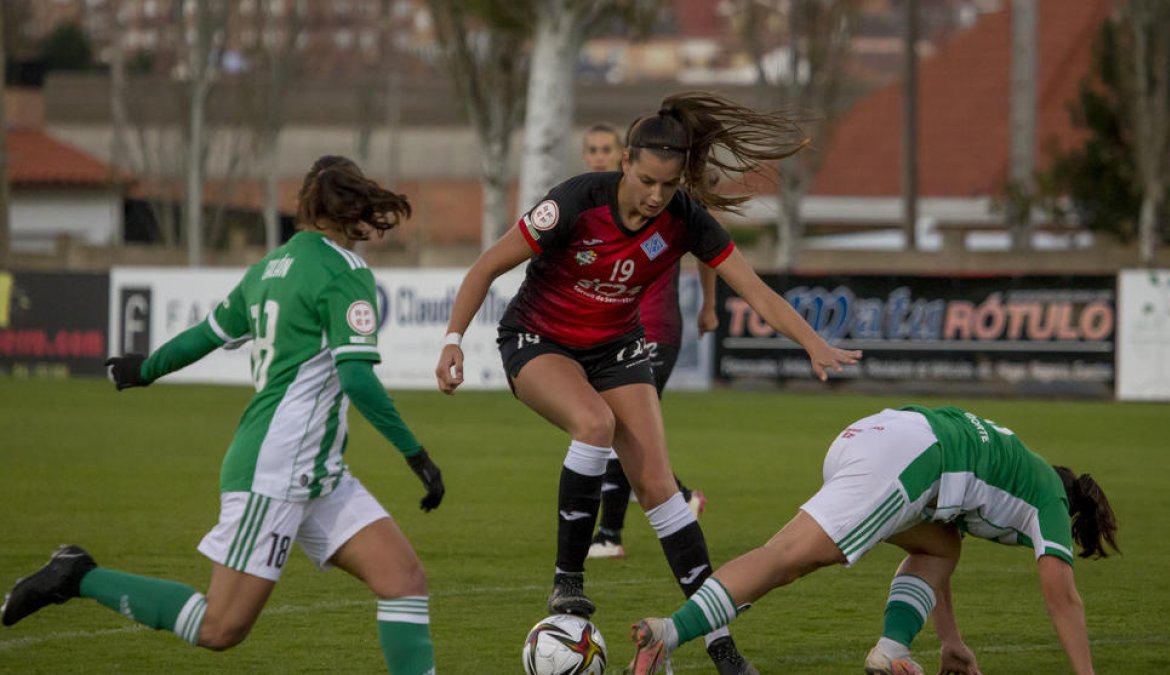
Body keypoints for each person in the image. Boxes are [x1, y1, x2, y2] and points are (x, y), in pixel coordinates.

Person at [435, 92, 861, 675]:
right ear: (626, 163)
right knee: (594, 424)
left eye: (669, 184)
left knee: (661, 486)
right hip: (539, 341)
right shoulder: (575, 202)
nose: (656, 195)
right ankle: (568, 583)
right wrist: (454, 339)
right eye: (647, 180)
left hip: (616, 349)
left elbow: (754, 289)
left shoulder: (684, 217)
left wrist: (811, 341)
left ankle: (719, 641)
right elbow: (486, 266)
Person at [1, 156, 446, 675]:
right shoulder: (344, 273)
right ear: (350, 208)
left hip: (317, 472)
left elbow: (206, 334)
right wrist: (415, 454)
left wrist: (146, 367)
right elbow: (357, 378)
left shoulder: (267, 270)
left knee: (403, 580)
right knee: (219, 627)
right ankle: (76, 575)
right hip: (276, 471)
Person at [627, 405, 1120, 675]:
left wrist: (951, 641)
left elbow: (942, 543)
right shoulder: (1050, 497)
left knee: (940, 545)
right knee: (787, 560)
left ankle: (891, 652)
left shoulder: (1014, 467)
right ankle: (667, 634)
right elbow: (1063, 597)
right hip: (909, 456)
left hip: (872, 433)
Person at [579, 123, 716, 560]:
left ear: (625, 155)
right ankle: (682, 496)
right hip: (612, 335)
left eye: (607, 148)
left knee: (620, 427)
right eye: (592, 150)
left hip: (654, 329)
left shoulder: (663, 206)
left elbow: (710, 245)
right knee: (625, 433)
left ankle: (609, 535)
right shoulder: (591, 207)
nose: (599, 156)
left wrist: (708, 305)